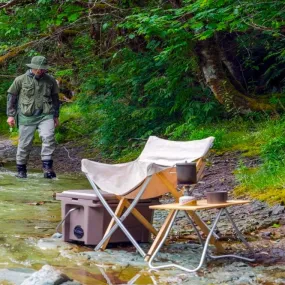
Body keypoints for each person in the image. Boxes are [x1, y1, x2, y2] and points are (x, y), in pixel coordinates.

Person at [6, 55, 60, 179]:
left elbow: (55, 99)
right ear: (32, 67)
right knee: (25, 144)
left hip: (46, 114)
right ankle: (21, 170)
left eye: (43, 69)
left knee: (48, 138)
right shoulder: (20, 79)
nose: (40, 71)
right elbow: (11, 97)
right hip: (26, 116)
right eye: (38, 69)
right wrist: (10, 115)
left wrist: (56, 116)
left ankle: (47, 169)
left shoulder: (50, 80)